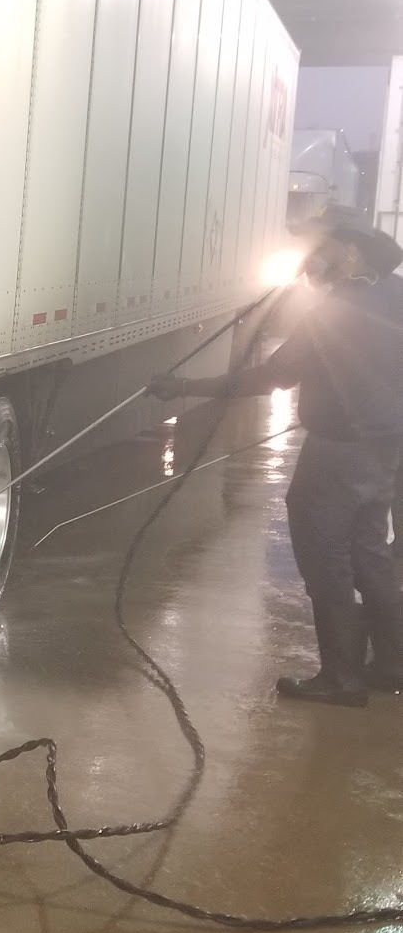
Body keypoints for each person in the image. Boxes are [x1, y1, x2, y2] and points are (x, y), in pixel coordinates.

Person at [152, 204, 403, 708]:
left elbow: (273, 376)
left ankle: (342, 678)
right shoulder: (395, 294)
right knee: (370, 552)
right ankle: (392, 666)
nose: (314, 258)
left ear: (353, 251)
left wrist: (183, 387)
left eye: (323, 249)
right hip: (384, 450)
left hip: (337, 452)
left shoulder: (336, 310)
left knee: (325, 556)